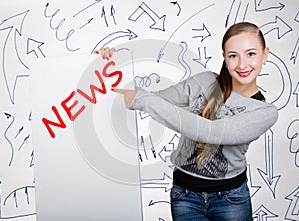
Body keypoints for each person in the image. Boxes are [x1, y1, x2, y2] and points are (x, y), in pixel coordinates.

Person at [113, 22, 278, 221]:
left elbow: (210, 131)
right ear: (225, 57)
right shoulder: (205, 81)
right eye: (233, 55)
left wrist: (143, 99)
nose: (242, 64)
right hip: (184, 197)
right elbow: (159, 100)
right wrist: (115, 60)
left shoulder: (264, 112)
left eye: (251, 54)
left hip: (230, 201)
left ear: (265, 53)